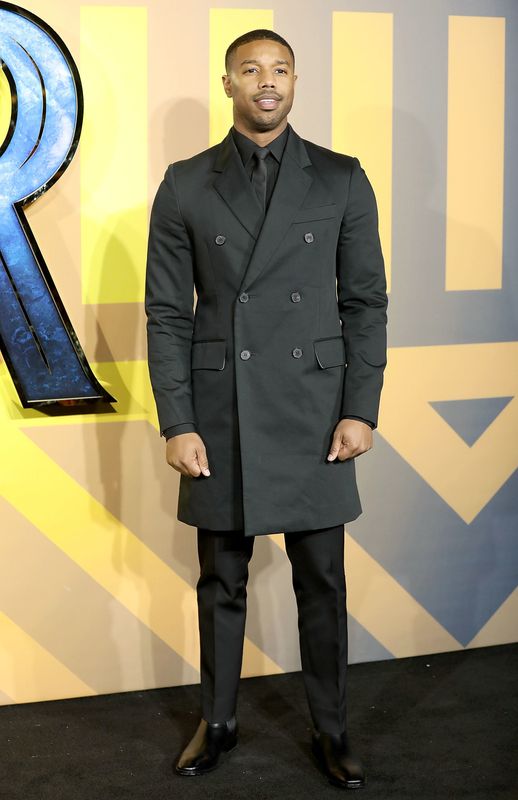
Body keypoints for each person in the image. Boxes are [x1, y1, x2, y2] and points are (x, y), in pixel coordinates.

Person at [145, 29, 388, 790]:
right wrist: (178, 420)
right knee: (221, 578)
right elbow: (166, 314)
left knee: (323, 580)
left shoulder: (342, 179)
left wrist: (361, 408)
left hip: (316, 411)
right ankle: (216, 723)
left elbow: (365, 304)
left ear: (296, 81)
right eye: (251, 70)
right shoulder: (185, 182)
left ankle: (332, 727)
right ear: (228, 85)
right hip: (222, 413)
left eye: (280, 69)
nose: (267, 82)